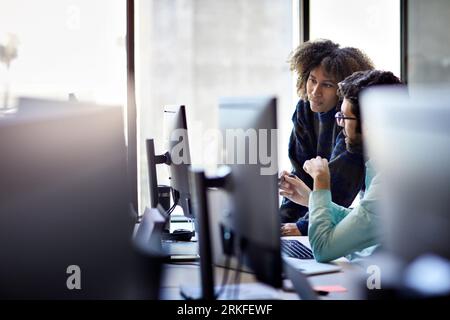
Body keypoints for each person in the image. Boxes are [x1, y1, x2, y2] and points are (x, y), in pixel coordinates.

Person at [279, 70, 402, 262]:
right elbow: (362, 220)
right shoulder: (383, 165)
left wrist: (321, 180)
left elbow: (322, 248)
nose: (340, 124)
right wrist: (311, 199)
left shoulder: (390, 179)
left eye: (345, 117)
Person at [280, 39, 374, 236]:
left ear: (342, 92)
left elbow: (340, 189)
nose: (315, 91)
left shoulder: (349, 120)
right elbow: (300, 175)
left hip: (361, 224)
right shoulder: (304, 109)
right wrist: (280, 222)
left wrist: (303, 226)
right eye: (312, 80)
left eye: (327, 85)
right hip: (322, 215)